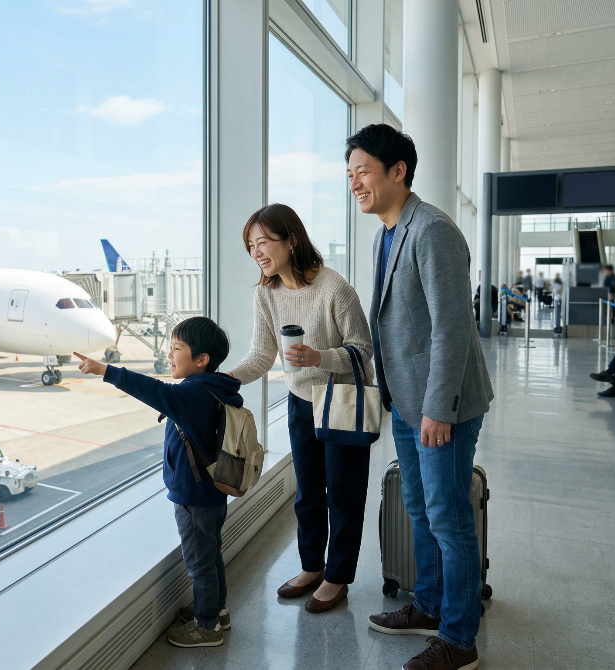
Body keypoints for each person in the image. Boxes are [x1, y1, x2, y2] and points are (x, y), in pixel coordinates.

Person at [348, 123, 493, 670]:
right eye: (351, 174)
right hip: (408, 399)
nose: (355, 183)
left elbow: (453, 327)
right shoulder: (389, 231)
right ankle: (430, 604)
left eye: (363, 171)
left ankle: (459, 639)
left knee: (449, 517)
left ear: (397, 171)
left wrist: (439, 408)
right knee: (419, 508)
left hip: (441, 404)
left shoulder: (432, 229)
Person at [226, 203, 372, 614]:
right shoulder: (265, 294)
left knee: (343, 494)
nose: (257, 251)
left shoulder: (333, 288)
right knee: (308, 492)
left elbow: (363, 353)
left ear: (291, 240)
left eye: (264, 242)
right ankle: (312, 566)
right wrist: (221, 381)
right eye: (250, 245)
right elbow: (260, 355)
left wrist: (319, 358)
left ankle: (337, 576)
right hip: (301, 402)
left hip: (341, 400)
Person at [73, 317, 242, 648]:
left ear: (201, 360)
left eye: (177, 348)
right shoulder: (215, 387)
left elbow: (151, 389)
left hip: (194, 494)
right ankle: (217, 610)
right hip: (212, 490)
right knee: (211, 554)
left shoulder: (191, 394)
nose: (170, 355)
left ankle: (207, 627)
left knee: (199, 561)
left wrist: (105, 370)